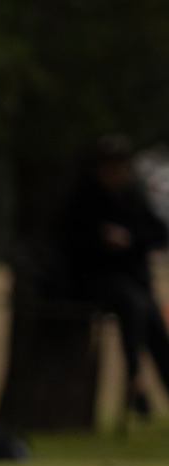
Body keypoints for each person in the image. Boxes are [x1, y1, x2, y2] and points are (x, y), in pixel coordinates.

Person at [57, 136, 169, 420]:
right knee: (132, 304)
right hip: (95, 282)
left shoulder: (132, 198)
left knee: (154, 326)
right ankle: (134, 377)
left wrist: (130, 240)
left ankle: (144, 383)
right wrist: (100, 238)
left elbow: (158, 233)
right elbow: (70, 242)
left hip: (135, 282)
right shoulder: (83, 199)